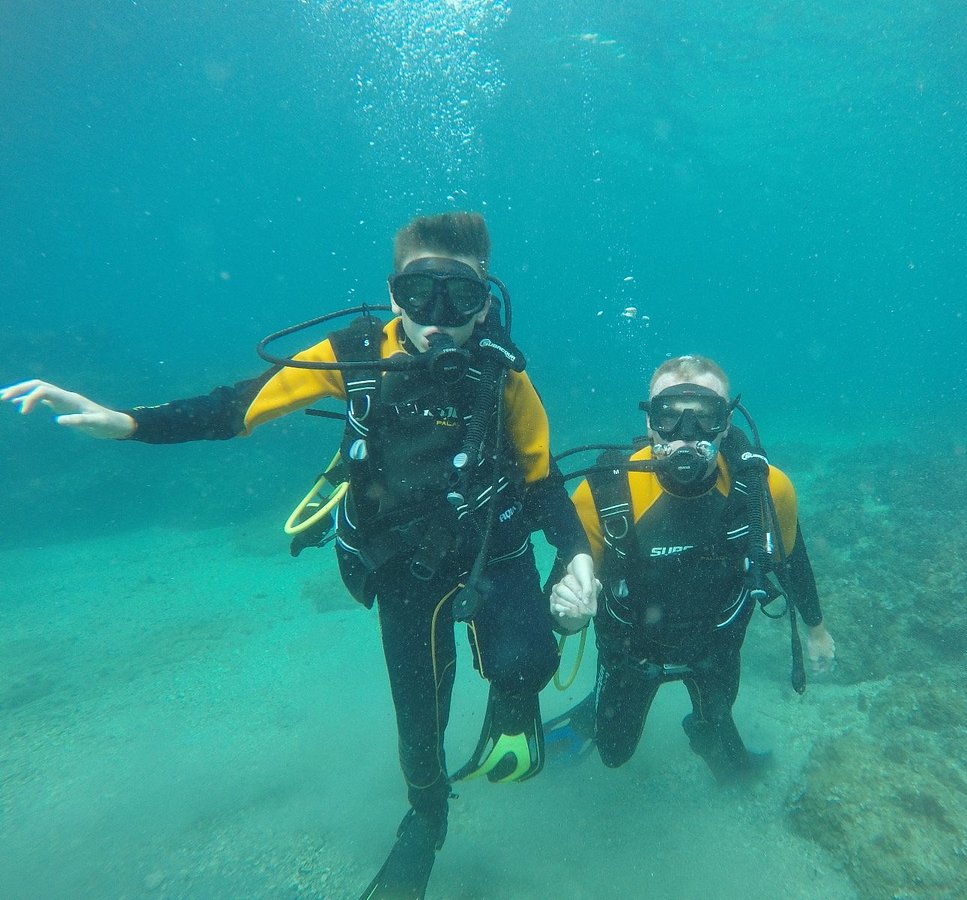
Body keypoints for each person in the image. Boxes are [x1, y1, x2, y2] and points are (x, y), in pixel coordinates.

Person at [2, 211, 600, 900]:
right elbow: (237, 407)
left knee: (529, 655)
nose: (438, 319)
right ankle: (425, 820)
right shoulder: (352, 354)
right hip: (401, 556)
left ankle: (513, 703)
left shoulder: (506, 379)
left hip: (489, 543)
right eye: (417, 296)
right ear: (392, 291)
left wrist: (576, 554)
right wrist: (132, 422)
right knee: (419, 716)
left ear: (486, 301)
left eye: (460, 299)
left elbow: (541, 480)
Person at [546, 354, 834, 783]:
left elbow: (792, 559)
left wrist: (816, 628)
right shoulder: (605, 490)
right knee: (613, 754)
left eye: (704, 417)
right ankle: (593, 713)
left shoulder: (765, 487)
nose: (686, 436)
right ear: (649, 422)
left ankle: (710, 735)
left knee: (715, 727)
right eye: (669, 416)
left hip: (716, 647)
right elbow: (561, 600)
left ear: (727, 421)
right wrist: (566, 614)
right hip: (629, 652)